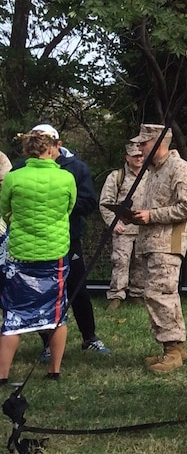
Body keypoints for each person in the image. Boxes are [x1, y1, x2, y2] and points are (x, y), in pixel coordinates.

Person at [16, 124, 110, 357]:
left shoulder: (76, 169)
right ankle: (48, 342)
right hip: (34, 241)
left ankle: (90, 337)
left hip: (68, 238)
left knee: (77, 288)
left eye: (46, 145)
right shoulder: (20, 169)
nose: (41, 150)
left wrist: (56, 208)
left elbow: (88, 202)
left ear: (58, 145)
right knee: (42, 293)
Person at [0, 128, 76, 382]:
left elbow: (4, 209)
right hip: (54, 254)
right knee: (56, 313)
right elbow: (69, 207)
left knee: (13, 313)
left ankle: (3, 374)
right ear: (51, 148)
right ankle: (54, 370)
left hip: (20, 254)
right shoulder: (66, 178)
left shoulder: (14, 177)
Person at [127, 124, 187, 374]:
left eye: (143, 143)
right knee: (158, 295)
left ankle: (173, 352)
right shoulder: (153, 171)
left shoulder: (180, 169)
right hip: (151, 243)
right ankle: (174, 345)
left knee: (161, 295)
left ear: (157, 142)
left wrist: (152, 216)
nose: (139, 148)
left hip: (168, 243)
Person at [98, 142, 146, 310]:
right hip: (123, 229)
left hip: (144, 227)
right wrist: (113, 223)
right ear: (127, 157)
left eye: (141, 155)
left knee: (141, 262)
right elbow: (105, 203)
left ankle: (137, 293)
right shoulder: (117, 176)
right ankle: (116, 295)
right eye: (135, 156)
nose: (139, 158)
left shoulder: (151, 175)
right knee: (120, 261)